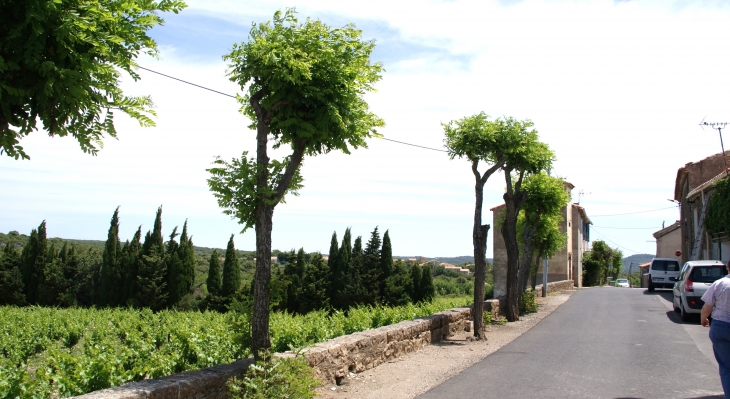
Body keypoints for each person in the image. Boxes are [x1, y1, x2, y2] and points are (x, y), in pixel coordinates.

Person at [701, 260, 730, 399]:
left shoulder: (719, 284)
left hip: (721, 327)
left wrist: (704, 318)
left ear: (728, 268)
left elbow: (707, 308)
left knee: (726, 366)